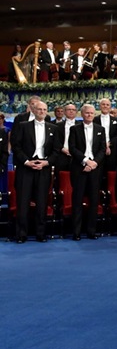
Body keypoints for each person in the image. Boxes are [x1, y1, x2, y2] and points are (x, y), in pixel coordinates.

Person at [11, 101, 60, 243]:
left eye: (44, 109)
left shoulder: (53, 128)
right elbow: (16, 146)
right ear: (33, 110)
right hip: (25, 168)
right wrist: (26, 161)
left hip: (43, 168)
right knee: (23, 202)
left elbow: (56, 150)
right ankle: (21, 234)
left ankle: (41, 234)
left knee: (42, 202)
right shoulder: (23, 126)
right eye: (39, 109)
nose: (42, 112)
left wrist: (47, 162)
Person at [68, 104, 107, 240]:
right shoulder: (74, 129)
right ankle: (76, 232)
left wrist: (94, 162)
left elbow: (102, 149)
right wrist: (85, 161)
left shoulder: (100, 129)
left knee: (94, 201)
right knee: (77, 200)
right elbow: (72, 148)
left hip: (95, 169)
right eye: (87, 113)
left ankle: (91, 231)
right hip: (79, 168)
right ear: (82, 114)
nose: (89, 115)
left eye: (91, 113)